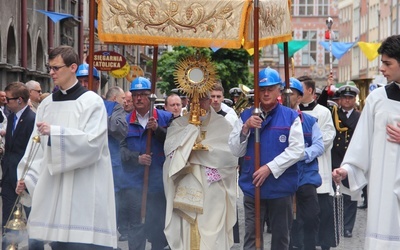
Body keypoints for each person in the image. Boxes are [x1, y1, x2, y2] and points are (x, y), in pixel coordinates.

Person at [15, 45, 118, 249]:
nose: (51, 73)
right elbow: (36, 148)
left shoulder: (92, 103)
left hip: (83, 189)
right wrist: (27, 177)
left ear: (72, 67)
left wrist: (56, 133)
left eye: (56, 68)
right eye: (49, 68)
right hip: (53, 190)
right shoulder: (47, 104)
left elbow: (93, 144)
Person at [332, 34, 400, 250]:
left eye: (388, 63)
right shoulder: (377, 99)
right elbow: (363, 141)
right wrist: (348, 168)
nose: (382, 68)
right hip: (385, 186)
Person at [229, 68, 304, 250]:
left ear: (279, 90)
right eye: (262, 89)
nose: (266, 93)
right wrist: (246, 128)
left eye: (270, 88)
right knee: (252, 239)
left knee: (280, 238)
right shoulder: (246, 115)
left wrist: (269, 168)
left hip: (281, 187)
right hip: (253, 186)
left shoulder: (290, 116)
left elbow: (297, 150)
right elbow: (235, 149)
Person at [164, 91, 238, 249]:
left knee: (213, 238)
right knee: (188, 235)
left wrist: (196, 156)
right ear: (189, 100)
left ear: (210, 100)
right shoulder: (180, 124)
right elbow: (170, 154)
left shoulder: (223, 125)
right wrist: (190, 132)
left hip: (213, 191)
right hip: (186, 190)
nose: (198, 104)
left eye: (203, 99)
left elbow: (230, 158)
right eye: (194, 99)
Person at [120, 77, 172, 250]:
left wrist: (157, 130)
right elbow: (119, 151)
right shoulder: (125, 122)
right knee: (136, 228)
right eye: (136, 95)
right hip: (135, 185)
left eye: (143, 94)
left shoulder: (166, 118)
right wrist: (137, 158)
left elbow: (175, 144)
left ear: (151, 97)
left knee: (158, 230)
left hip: (159, 185)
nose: (139, 98)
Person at [297, 75, 336, 250]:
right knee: (300, 215)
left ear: (311, 91)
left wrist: (307, 149)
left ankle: (324, 243)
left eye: (301, 89)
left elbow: (328, 137)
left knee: (321, 211)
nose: (296, 93)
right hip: (297, 171)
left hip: (318, 167)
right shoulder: (292, 111)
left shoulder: (323, 112)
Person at [286, 78, 324, 250]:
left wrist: (301, 155)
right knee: (286, 220)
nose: (286, 98)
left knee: (311, 216)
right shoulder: (275, 120)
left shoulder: (309, 121)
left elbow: (318, 145)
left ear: (299, 98)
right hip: (284, 175)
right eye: (283, 94)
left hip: (306, 175)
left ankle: (309, 246)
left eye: (291, 94)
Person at [1, 82, 36, 250]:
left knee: (32, 219)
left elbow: (34, 151)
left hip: (26, 178)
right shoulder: (10, 116)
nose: (5, 102)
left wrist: (27, 176)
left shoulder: (32, 119)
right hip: (9, 176)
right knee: (7, 219)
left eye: (8, 99)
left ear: (20, 100)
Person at [330, 84, 360, 238]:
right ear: (339, 100)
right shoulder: (333, 114)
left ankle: (347, 227)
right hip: (336, 157)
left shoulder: (360, 117)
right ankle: (336, 224)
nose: (347, 100)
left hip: (352, 158)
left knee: (350, 195)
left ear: (355, 99)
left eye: (350, 98)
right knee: (335, 194)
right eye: (344, 98)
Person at [104, 86, 130, 242]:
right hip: (111, 162)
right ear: (114, 99)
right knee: (113, 201)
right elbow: (120, 128)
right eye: (122, 99)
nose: (124, 102)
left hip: (107, 160)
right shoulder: (116, 108)